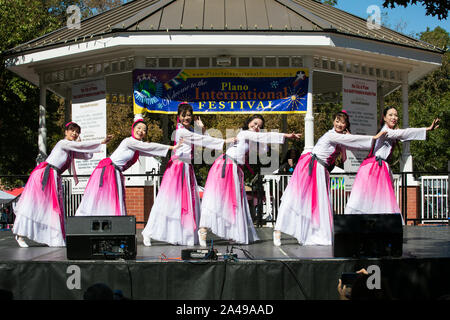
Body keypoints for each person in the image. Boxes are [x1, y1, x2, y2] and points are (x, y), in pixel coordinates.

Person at [273, 111, 387, 246]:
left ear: (346, 125)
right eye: (337, 121)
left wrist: (351, 137)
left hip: (321, 169)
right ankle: (278, 230)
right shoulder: (332, 135)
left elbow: (351, 144)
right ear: (334, 121)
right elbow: (356, 142)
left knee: (317, 203)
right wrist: (375, 137)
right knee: (296, 198)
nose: (339, 124)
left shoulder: (340, 137)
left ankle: (309, 233)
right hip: (312, 167)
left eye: (342, 122)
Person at [198, 114, 301, 246]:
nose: (256, 127)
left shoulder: (250, 139)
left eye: (259, 126)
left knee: (232, 203)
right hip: (226, 167)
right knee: (216, 199)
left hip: (234, 169)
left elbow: (263, 148)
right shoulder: (244, 134)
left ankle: (230, 233)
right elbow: (264, 137)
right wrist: (286, 136)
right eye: (254, 123)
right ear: (248, 123)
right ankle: (203, 230)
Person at [141, 102, 233, 246]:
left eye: (189, 115)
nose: (186, 118)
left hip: (187, 168)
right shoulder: (181, 131)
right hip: (177, 168)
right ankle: (148, 232)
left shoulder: (190, 130)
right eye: (184, 115)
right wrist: (224, 140)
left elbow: (205, 138)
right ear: (179, 117)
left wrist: (202, 127)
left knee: (186, 204)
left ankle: (184, 234)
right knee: (167, 203)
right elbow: (203, 140)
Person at [12, 122, 112, 248]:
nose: (74, 133)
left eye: (77, 132)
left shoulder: (71, 150)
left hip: (54, 177)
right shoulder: (63, 143)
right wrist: (100, 142)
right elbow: (82, 147)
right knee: (34, 205)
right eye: (72, 130)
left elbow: (87, 155)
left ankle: (51, 237)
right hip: (45, 175)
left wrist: (87, 144)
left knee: (51, 208)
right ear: (66, 132)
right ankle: (20, 234)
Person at [344, 106, 440, 223]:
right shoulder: (386, 131)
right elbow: (405, 132)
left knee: (375, 198)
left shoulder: (388, 132)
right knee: (372, 198)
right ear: (384, 118)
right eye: (390, 115)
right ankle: (370, 223)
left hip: (379, 167)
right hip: (375, 168)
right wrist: (427, 129)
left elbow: (402, 134)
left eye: (395, 115)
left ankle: (375, 224)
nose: (394, 117)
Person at [75, 118, 179, 217]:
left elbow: (150, 151)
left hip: (114, 171)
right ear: (133, 129)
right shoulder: (129, 142)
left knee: (111, 198)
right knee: (99, 197)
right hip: (108, 169)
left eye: (144, 130)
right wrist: (171, 147)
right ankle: (82, 220)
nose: (141, 131)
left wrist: (173, 153)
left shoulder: (136, 147)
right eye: (138, 128)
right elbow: (149, 147)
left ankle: (110, 224)